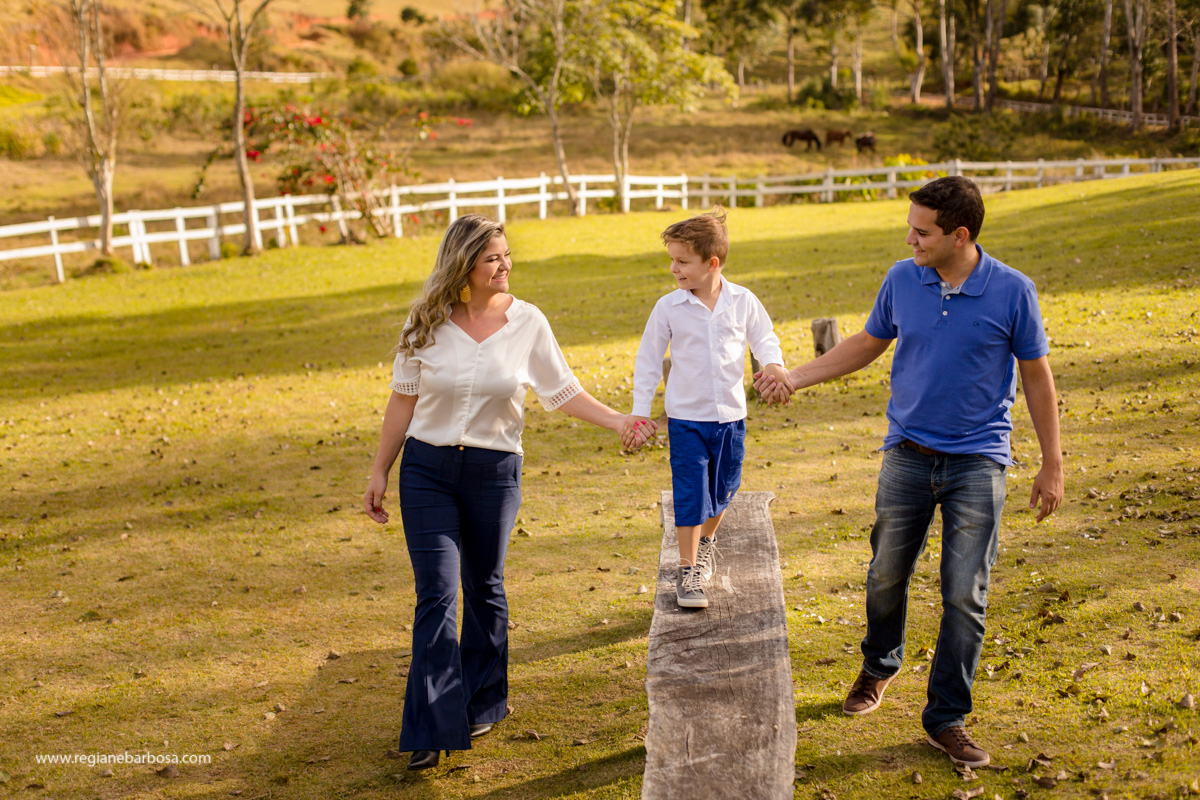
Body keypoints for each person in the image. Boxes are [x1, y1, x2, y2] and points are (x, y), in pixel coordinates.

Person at [755, 176, 1063, 768]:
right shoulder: (903, 278)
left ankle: (947, 716)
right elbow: (868, 343)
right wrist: (795, 375)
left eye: (922, 231)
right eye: (911, 227)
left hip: (979, 460)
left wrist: (1052, 464)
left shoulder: (1013, 292)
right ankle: (879, 664)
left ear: (960, 235)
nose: (911, 238)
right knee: (885, 574)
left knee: (963, 594)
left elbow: (1037, 378)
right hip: (907, 455)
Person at [362, 214, 654, 771]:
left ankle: (486, 698)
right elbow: (402, 399)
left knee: (485, 585)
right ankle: (429, 726)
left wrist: (618, 420)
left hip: (494, 473)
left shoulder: (528, 322)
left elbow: (561, 390)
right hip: (426, 470)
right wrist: (380, 468)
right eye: (494, 257)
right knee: (439, 593)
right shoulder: (425, 321)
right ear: (464, 264)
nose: (506, 265)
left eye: (506, 255)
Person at [629, 208, 789, 609]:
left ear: (711, 263)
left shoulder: (742, 301)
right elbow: (648, 360)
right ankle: (687, 571)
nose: (673, 268)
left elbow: (765, 339)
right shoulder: (668, 308)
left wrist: (773, 365)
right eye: (672, 259)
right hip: (686, 421)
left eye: (682, 261)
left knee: (724, 491)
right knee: (691, 495)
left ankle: (706, 543)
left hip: (732, 419)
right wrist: (639, 410)